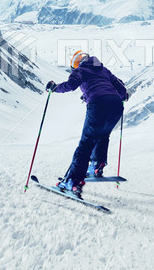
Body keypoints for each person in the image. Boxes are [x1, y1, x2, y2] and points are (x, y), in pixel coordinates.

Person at [46, 50, 128, 196]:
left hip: (98, 104)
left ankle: (72, 181)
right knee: (103, 135)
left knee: (86, 143)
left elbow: (71, 85)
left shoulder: (80, 70)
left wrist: (54, 88)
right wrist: (124, 96)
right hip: (116, 105)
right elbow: (121, 89)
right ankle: (97, 166)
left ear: (75, 64)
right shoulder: (103, 69)